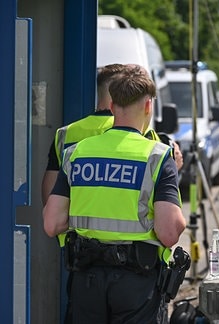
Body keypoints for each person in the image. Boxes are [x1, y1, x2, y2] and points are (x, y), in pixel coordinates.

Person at [41, 63, 183, 324]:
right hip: (137, 285)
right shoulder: (158, 155)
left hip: (86, 280)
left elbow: (52, 223)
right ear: (148, 106)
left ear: (112, 105)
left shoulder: (78, 152)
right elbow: (170, 232)